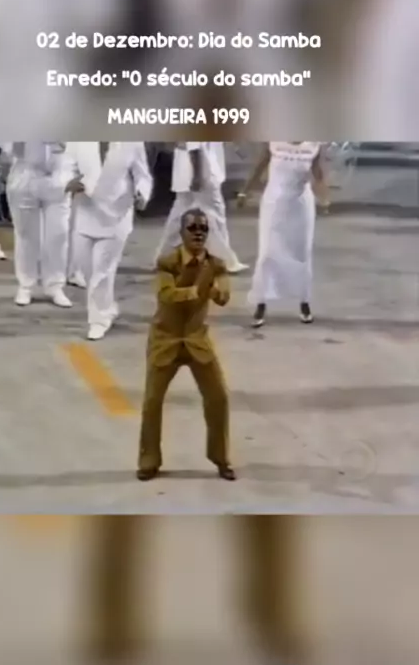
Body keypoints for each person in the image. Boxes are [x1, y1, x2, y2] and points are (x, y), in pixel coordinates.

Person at [138, 207, 235, 482]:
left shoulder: (215, 265)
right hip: (165, 340)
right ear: (181, 232)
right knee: (152, 401)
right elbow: (166, 294)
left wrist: (213, 288)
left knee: (218, 397)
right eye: (192, 228)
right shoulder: (167, 262)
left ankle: (221, 458)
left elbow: (223, 296)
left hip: (196, 340)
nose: (198, 233)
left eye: (203, 228)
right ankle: (149, 461)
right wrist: (196, 290)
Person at [65, 142, 153, 341]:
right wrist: (70, 181)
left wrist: (141, 193)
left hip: (117, 215)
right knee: (88, 272)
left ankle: (98, 321)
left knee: (102, 271)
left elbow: (142, 175)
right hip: (86, 212)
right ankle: (108, 308)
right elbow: (66, 167)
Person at [238, 141, 329, 327]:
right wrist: (244, 192)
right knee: (266, 254)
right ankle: (261, 303)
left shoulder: (313, 144)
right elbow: (259, 166)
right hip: (274, 204)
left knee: (302, 254)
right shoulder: (274, 139)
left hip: (300, 206)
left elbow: (318, 174)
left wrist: (324, 198)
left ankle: (304, 302)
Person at [154, 142, 248, 273]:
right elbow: (194, 147)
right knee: (215, 216)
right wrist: (197, 176)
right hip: (203, 174)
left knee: (178, 217)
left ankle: (164, 257)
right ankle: (225, 261)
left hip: (189, 173)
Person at [4, 142, 75, 307]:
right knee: (26, 234)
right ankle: (26, 285)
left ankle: (55, 285)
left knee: (58, 233)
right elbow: (8, 147)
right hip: (25, 172)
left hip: (59, 171)